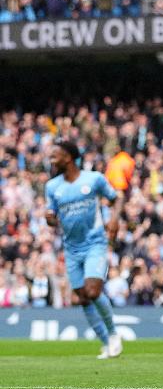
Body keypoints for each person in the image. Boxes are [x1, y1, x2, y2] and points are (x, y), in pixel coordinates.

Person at [44, 141, 123, 359]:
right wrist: (50, 219)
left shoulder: (94, 179)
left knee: (93, 291)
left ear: (68, 157)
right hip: (71, 249)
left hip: (95, 243)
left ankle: (113, 334)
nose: (52, 160)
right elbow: (52, 218)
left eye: (55, 155)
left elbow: (116, 199)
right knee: (82, 298)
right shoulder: (52, 187)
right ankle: (106, 343)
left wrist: (114, 220)